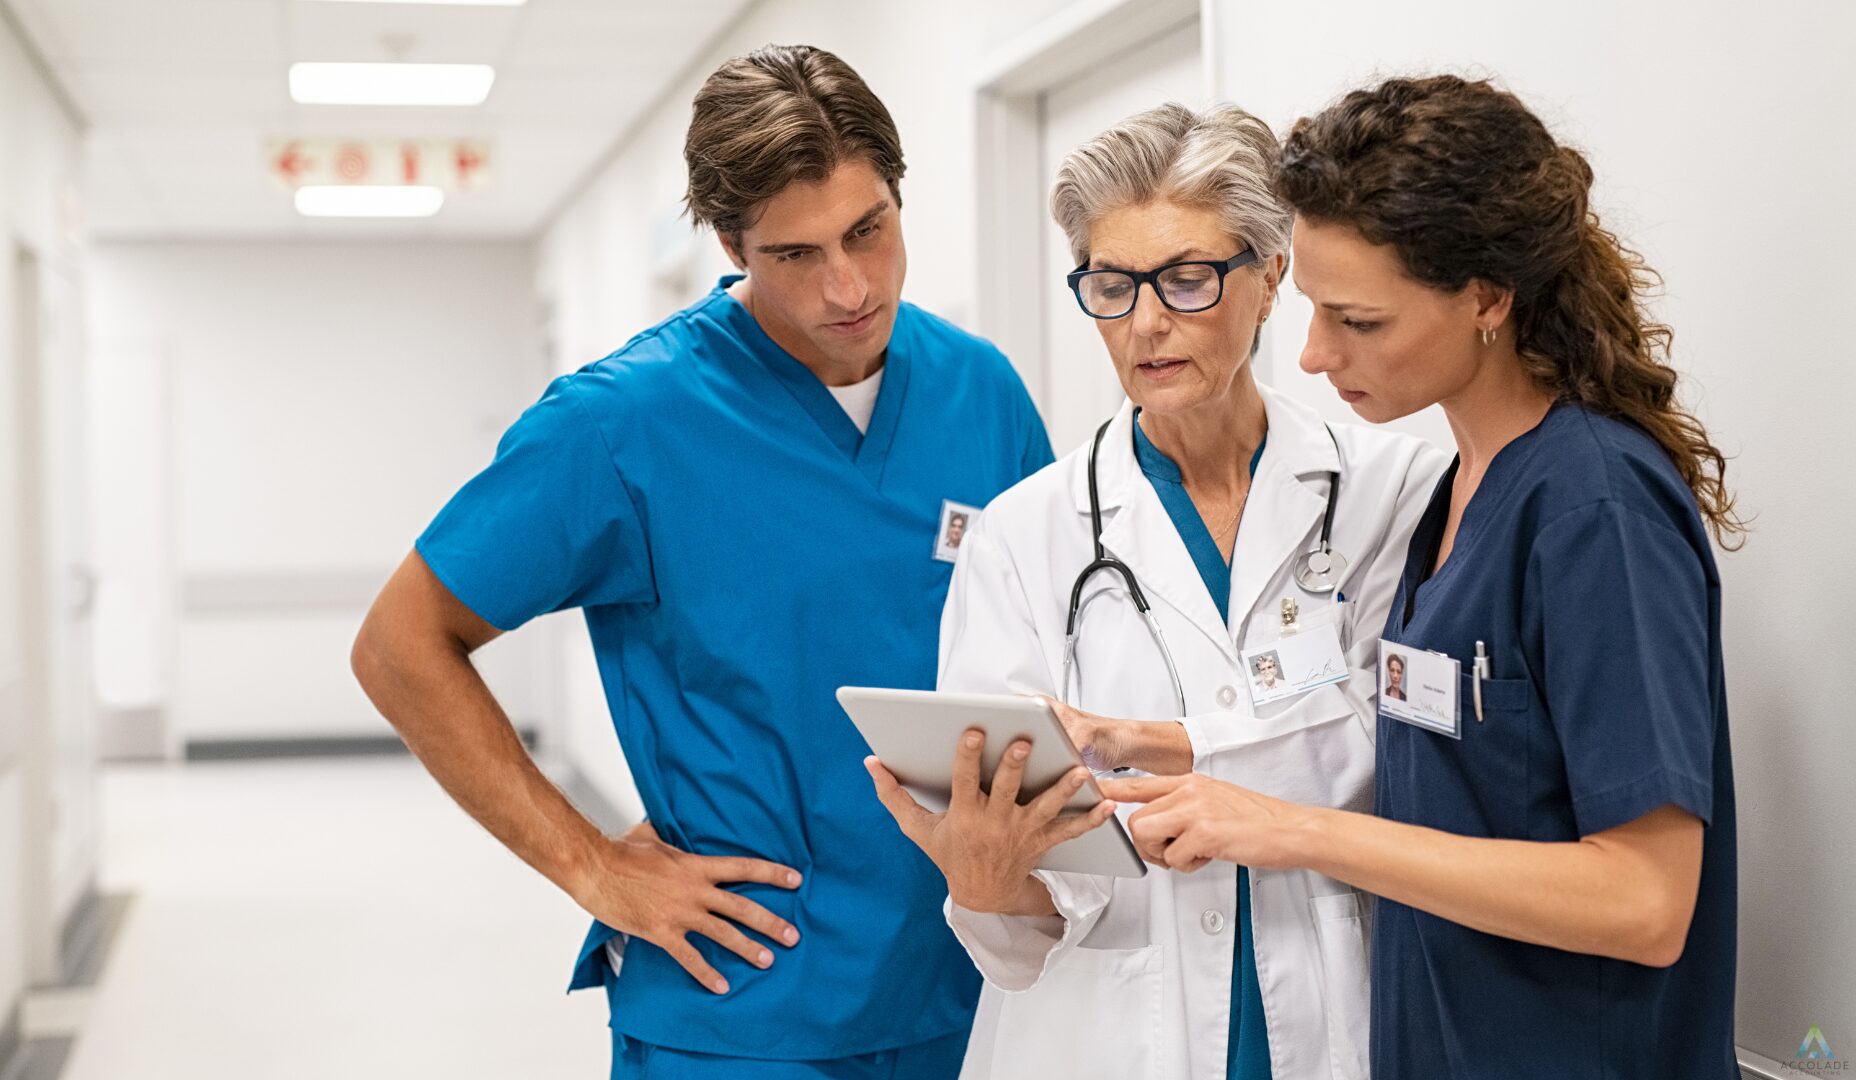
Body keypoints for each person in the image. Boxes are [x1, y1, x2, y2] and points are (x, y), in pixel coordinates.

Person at [351, 45, 1053, 1079]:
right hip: (744, 1007)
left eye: (868, 230)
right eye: (795, 254)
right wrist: (591, 866)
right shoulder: (623, 425)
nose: (849, 285)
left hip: (977, 986)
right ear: (730, 243)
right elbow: (399, 646)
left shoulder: (980, 391)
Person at [1103, 75, 1741, 1079]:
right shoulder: (1457, 492)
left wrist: (1298, 834)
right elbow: (1458, 773)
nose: (1312, 356)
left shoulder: (1592, 508)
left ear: (1487, 297)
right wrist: (1184, 746)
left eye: (1357, 321)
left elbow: (1646, 901)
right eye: (1312, 309)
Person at [865, 103, 1446, 1080]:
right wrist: (990, 871)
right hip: (1102, 1029)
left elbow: (1393, 753)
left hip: (1337, 1005)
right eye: (1110, 283)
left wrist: (1169, 760)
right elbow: (1023, 915)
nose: (1144, 323)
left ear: (1270, 278)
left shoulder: (1392, 491)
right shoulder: (1022, 536)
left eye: (1186, 279)